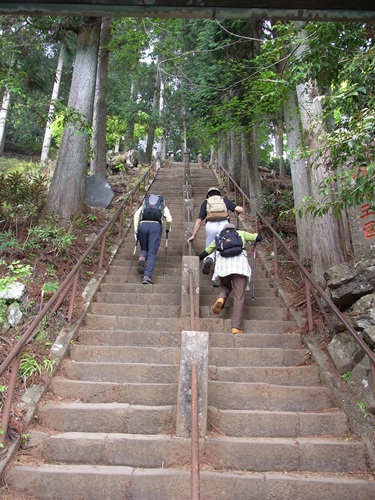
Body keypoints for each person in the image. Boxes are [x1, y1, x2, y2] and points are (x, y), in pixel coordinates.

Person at [199, 223, 262, 334]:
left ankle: (221, 298)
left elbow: (208, 250)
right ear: (234, 229)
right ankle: (236, 327)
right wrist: (256, 237)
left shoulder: (219, 237)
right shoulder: (241, 233)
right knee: (239, 296)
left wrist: (198, 258)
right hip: (239, 267)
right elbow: (257, 237)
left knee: (226, 286)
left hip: (223, 268)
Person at [188, 187, 244, 275]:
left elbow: (199, 220)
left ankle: (209, 258)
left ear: (208, 195)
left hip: (211, 225)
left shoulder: (206, 202)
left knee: (210, 246)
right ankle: (220, 268)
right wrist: (237, 212)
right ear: (219, 194)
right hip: (224, 225)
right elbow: (240, 209)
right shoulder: (224, 200)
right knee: (223, 245)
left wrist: (193, 235)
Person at [133, 193, 172, 284]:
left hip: (143, 225)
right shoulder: (162, 205)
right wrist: (167, 228)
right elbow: (169, 219)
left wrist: (136, 230)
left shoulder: (145, 203)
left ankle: (142, 259)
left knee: (144, 248)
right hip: (155, 226)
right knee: (152, 252)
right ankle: (147, 276)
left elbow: (136, 216)